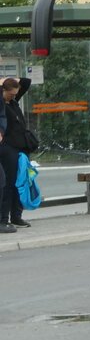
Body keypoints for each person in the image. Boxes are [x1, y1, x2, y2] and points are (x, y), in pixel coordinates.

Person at [0, 75, 29, 230]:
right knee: (8, 183)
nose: (13, 97)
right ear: (3, 91)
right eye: (10, 94)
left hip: (20, 147)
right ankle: (4, 218)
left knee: (20, 181)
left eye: (15, 94)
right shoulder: (2, 104)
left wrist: (7, 80)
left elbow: (26, 82)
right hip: (7, 147)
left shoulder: (13, 102)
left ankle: (16, 216)